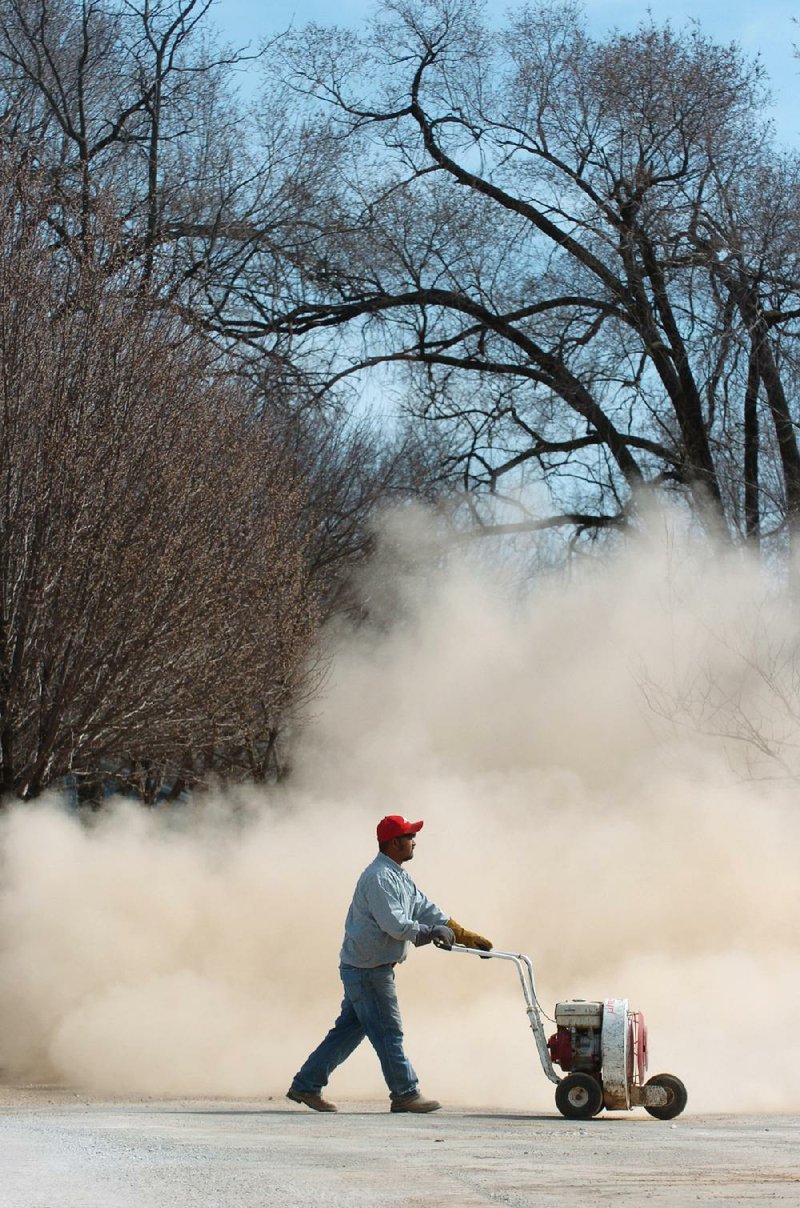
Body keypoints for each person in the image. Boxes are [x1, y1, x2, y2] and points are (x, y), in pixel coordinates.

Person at [287, 814, 493, 1114]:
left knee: (347, 1031)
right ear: (394, 843)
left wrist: (461, 933)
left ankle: (306, 1085)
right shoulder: (378, 878)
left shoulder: (397, 874)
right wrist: (430, 932)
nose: (414, 841)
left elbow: (424, 907)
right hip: (368, 970)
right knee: (388, 1031)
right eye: (409, 837)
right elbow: (395, 925)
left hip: (366, 966)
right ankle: (405, 1092)